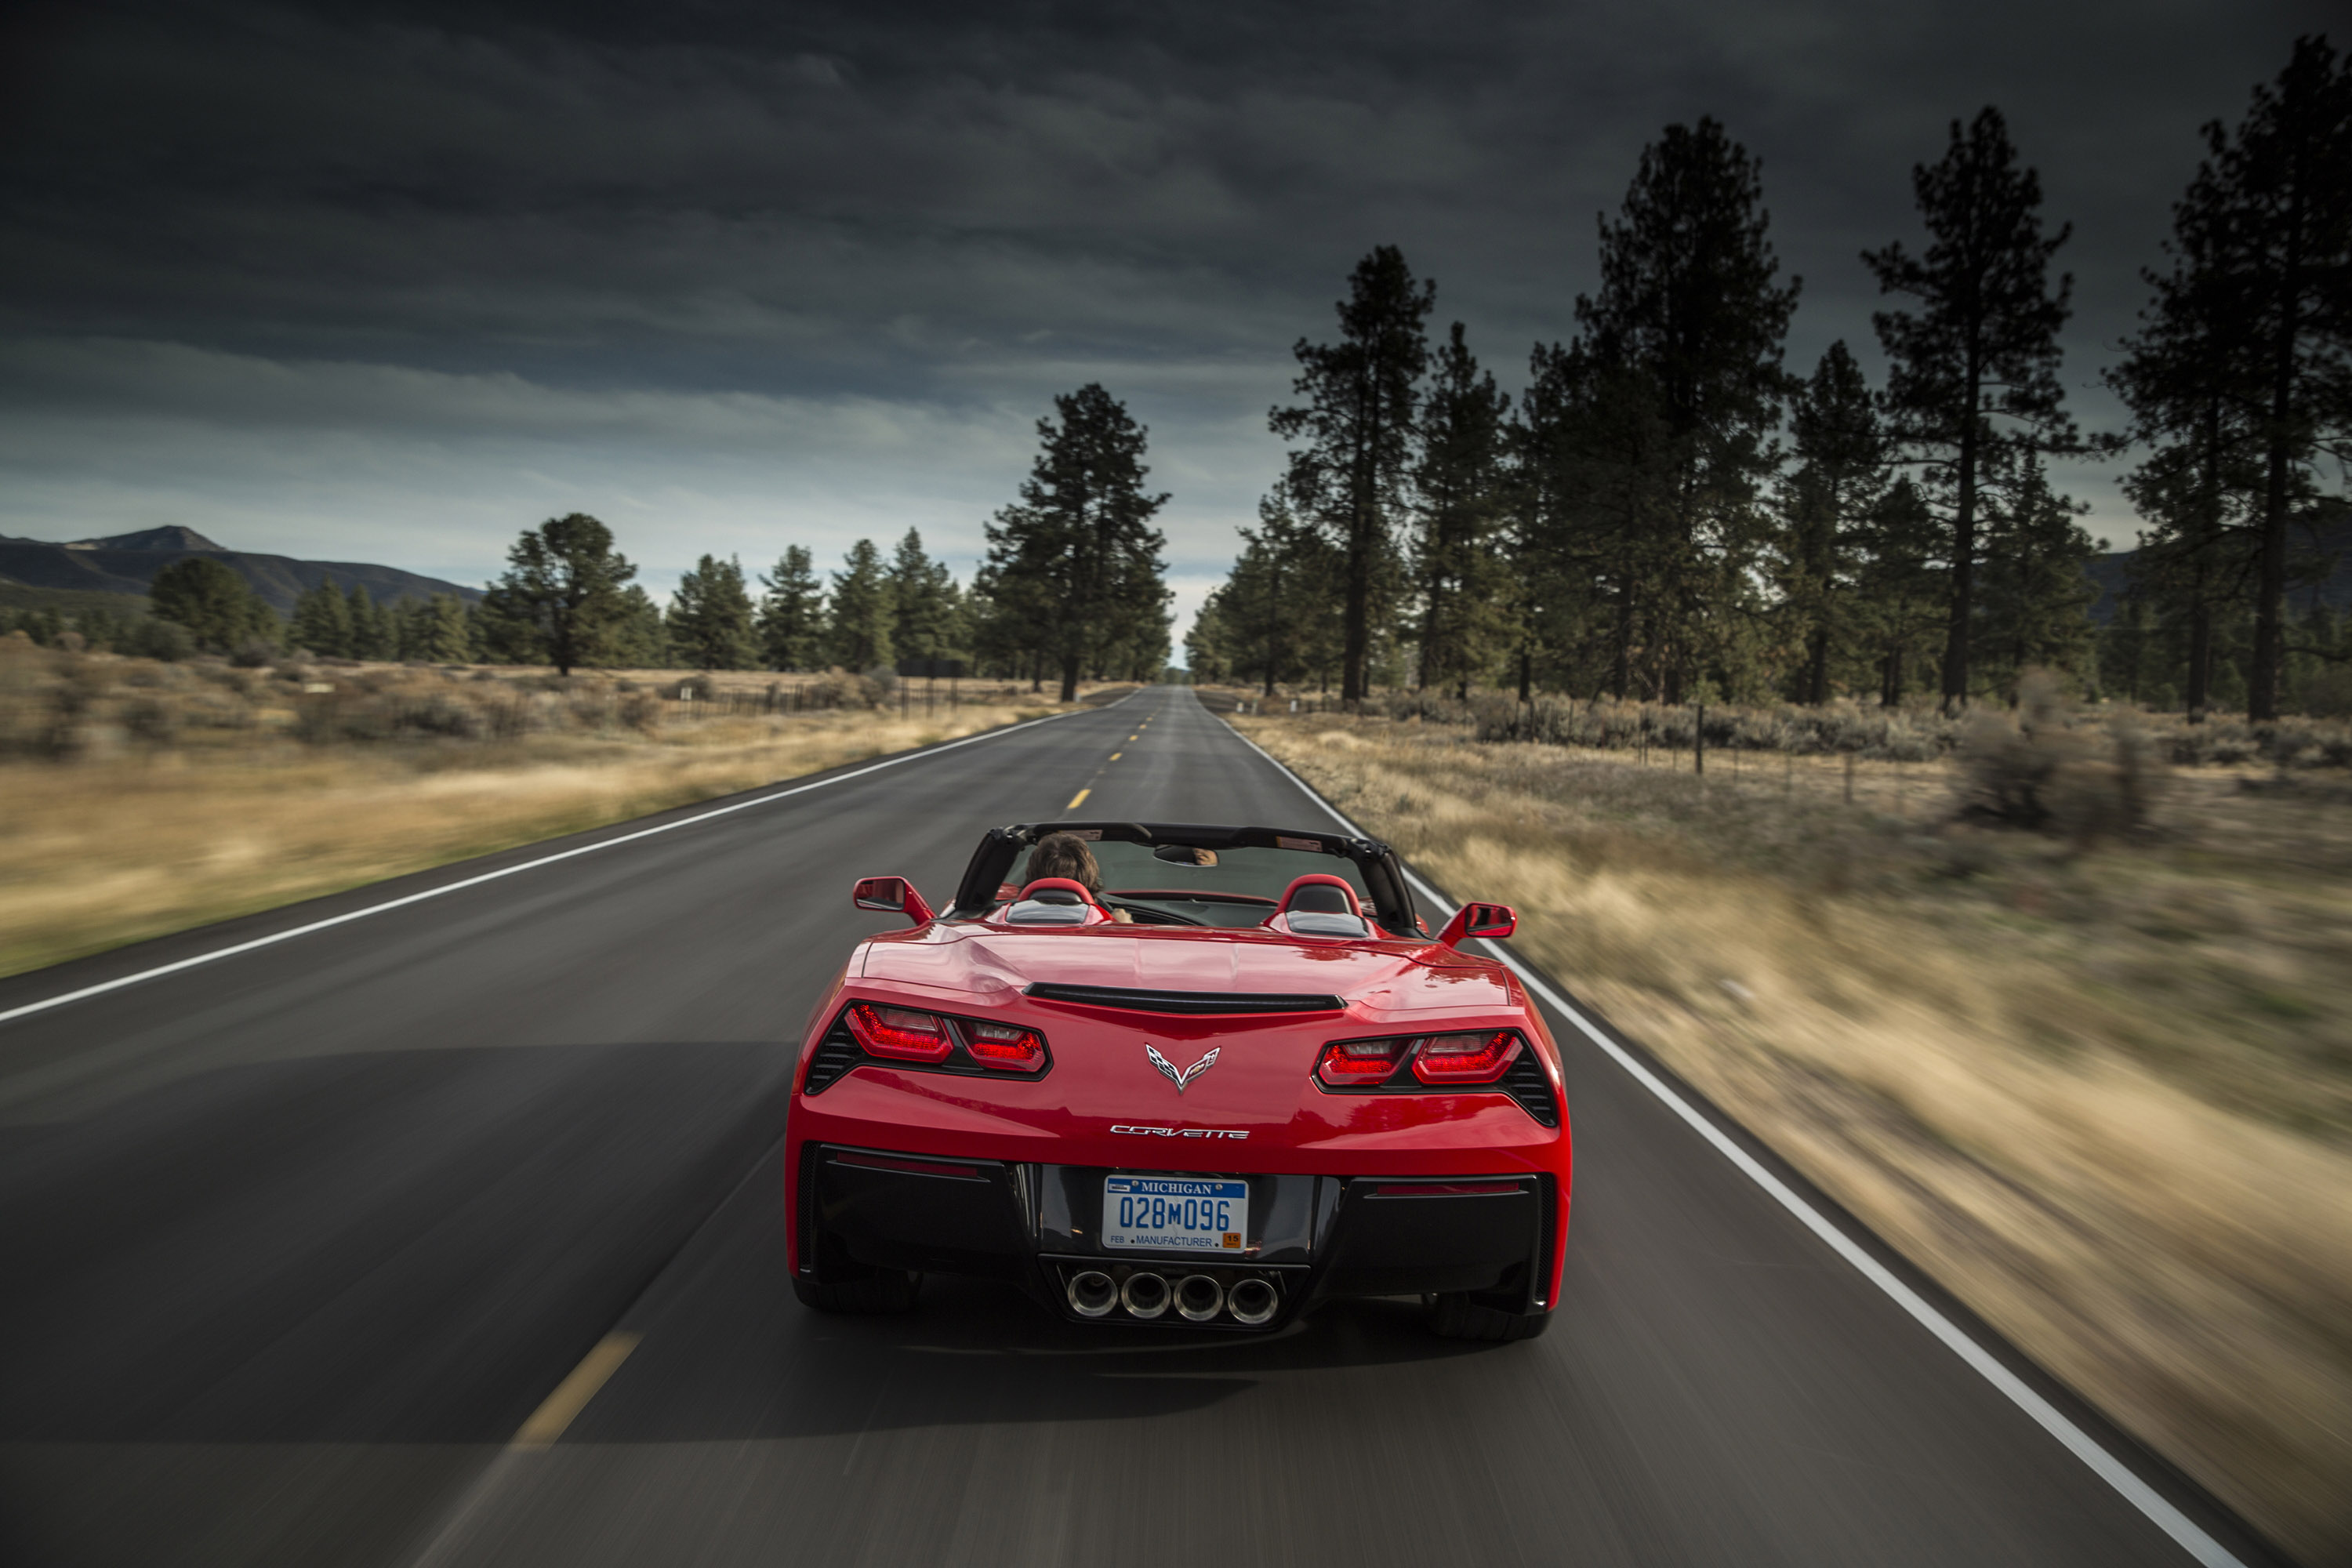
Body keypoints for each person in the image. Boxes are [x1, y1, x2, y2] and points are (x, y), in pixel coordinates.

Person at [1025, 832, 1133, 923]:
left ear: (1030, 874)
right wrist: (1121, 927)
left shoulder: (1009, 918)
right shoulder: (1103, 927)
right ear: (1091, 877)